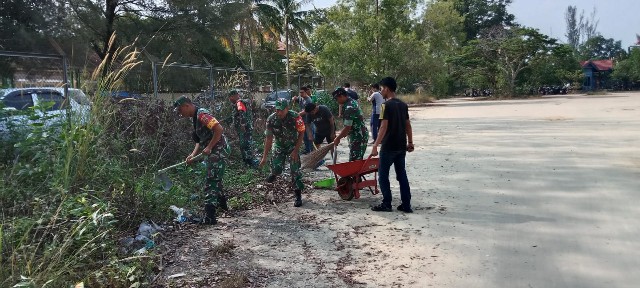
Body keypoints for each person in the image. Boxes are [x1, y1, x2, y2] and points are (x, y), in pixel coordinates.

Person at [174, 96, 230, 224]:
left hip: (219, 149)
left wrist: (209, 147)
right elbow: (199, 140)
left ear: (187, 106)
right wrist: (193, 155)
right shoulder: (194, 119)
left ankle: (210, 217)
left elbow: (219, 129)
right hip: (213, 150)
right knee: (216, 177)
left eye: (180, 110)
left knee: (211, 181)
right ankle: (223, 206)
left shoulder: (202, 115)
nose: (180, 113)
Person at [370, 77, 414, 213]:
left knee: (383, 175)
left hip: (388, 146)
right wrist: (410, 142)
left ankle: (386, 203)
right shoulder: (403, 105)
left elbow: (383, 127)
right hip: (401, 146)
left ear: (387, 89)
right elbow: (408, 125)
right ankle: (406, 205)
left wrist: (375, 145)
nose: (381, 91)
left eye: (382, 88)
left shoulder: (385, 106)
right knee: (402, 175)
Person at [259, 98, 306, 207]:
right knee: (277, 168)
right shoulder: (271, 119)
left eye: (281, 110)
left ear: (287, 108)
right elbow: (269, 139)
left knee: (295, 170)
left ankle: (298, 195)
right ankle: (274, 173)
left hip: (292, 145)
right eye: (277, 109)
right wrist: (264, 157)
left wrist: (295, 151)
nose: (278, 112)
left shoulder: (295, 117)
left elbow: (301, 133)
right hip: (279, 145)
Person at [332, 87, 368, 161]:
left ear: (342, 96)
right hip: (357, 135)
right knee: (356, 161)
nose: (336, 101)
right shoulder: (351, 102)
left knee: (354, 161)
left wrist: (338, 138)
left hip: (358, 137)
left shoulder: (349, 107)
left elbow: (348, 127)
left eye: (337, 99)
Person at [228, 90, 258, 167]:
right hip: (245, 127)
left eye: (230, 97)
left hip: (244, 128)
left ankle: (250, 161)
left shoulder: (239, 103)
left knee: (246, 143)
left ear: (234, 96)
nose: (230, 99)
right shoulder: (239, 103)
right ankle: (246, 161)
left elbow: (242, 113)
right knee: (244, 143)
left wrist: (242, 125)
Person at [305, 102, 335, 166]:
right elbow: (307, 125)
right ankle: (317, 162)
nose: (311, 114)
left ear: (315, 108)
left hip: (329, 129)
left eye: (312, 112)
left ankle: (334, 162)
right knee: (316, 145)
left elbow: (331, 121)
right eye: (310, 113)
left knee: (332, 145)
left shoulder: (324, 109)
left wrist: (332, 133)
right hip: (319, 131)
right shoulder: (309, 113)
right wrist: (309, 134)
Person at [293, 87, 315, 154]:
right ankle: (307, 150)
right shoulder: (301, 98)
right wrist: (294, 98)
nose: (301, 94)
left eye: (302, 92)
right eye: (300, 92)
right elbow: (296, 99)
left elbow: (306, 111)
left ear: (306, 92)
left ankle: (312, 151)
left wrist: (296, 115)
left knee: (310, 136)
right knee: (304, 136)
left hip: (308, 121)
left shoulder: (309, 100)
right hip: (302, 121)